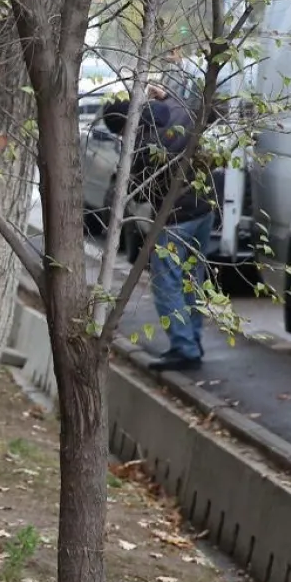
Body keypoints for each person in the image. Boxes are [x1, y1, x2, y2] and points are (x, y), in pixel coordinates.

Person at [102, 73, 216, 372]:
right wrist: (164, 95)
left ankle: (184, 347)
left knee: (167, 283)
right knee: (193, 279)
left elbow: (132, 187)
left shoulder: (142, 146)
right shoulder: (180, 111)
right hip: (204, 210)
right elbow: (186, 105)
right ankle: (194, 339)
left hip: (175, 217)